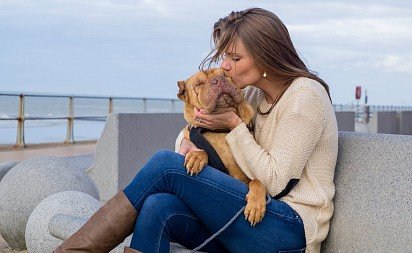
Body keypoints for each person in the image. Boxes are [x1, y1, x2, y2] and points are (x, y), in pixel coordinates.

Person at [55, 7, 338, 253]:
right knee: (158, 206)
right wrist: (189, 145)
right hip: (244, 221)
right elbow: (197, 126)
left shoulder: (305, 96)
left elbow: (275, 182)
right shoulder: (252, 95)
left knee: (165, 165)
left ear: (266, 56)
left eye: (235, 59)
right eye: (225, 57)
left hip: (287, 231)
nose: (225, 66)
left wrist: (234, 125)